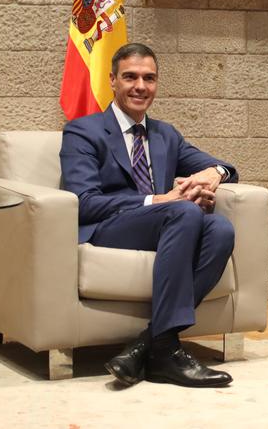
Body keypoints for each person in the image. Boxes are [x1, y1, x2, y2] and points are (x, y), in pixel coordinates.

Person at [60, 43, 237, 388]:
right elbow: (83, 201)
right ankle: (167, 352)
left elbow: (222, 164)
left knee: (220, 229)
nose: (140, 86)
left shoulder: (165, 134)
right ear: (112, 80)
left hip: (161, 224)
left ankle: (151, 346)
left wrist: (214, 173)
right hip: (107, 228)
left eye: (149, 78)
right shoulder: (83, 131)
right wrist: (158, 200)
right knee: (184, 212)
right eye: (130, 77)